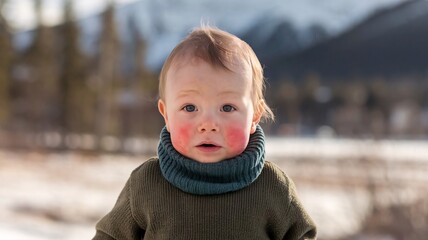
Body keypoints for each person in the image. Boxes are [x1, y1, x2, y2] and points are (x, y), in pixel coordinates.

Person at [93, 26, 317, 240]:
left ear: (255, 116)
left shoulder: (273, 186)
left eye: (227, 108)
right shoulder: (147, 183)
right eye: (190, 108)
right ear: (167, 115)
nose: (208, 124)